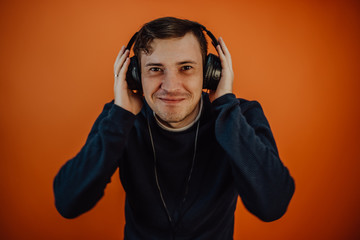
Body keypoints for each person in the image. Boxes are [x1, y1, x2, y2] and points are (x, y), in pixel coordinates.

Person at [53, 17, 295, 239]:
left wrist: (226, 108)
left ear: (211, 74)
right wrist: (120, 117)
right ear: (134, 75)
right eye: (155, 69)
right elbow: (68, 202)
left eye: (186, 68)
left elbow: (272, 205)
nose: (170, 86)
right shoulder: (120, 119)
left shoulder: (240, 116)